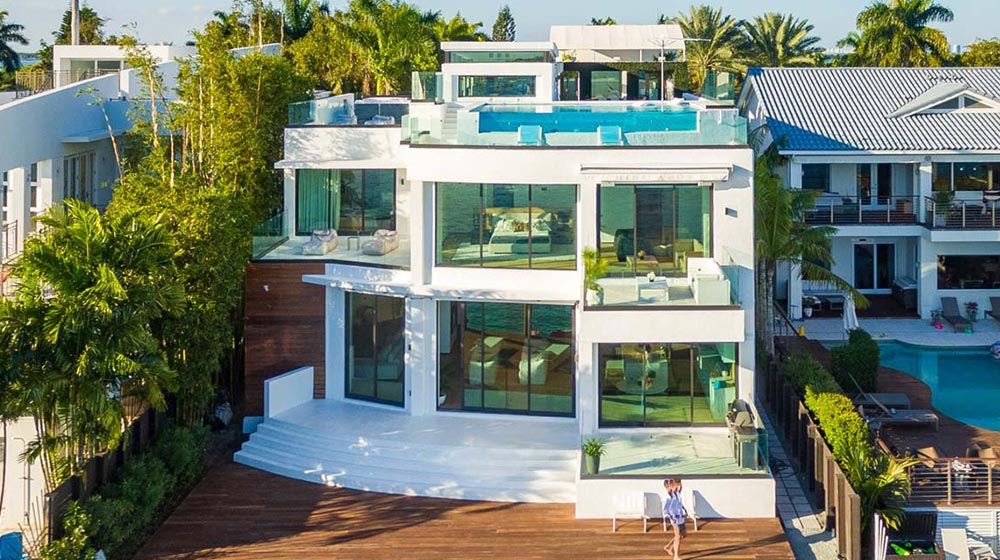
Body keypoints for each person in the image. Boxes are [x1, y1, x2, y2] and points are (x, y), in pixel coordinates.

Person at [662, 478, 686, 560]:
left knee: (683, 535)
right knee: (678, 536)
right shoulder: (668, 497)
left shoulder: (676, 493)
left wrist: (683, 509)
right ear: (669, 487)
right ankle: (676, 556)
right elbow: (666, 510)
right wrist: (672, 516)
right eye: (675, 485)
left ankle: (669, 547)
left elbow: (679, 499)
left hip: (680, 516)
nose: (677, 486)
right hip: (675, 518)